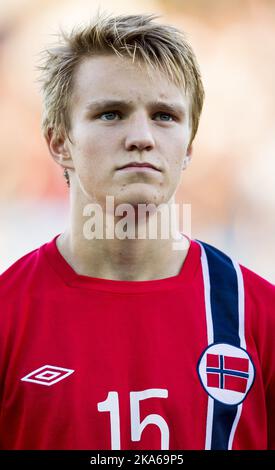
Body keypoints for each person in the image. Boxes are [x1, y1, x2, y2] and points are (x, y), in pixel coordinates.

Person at [0, 12, 274, 451]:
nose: (142, 137)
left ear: (188, 146)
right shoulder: (9, 313)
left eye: (164, 115)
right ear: (58, 142)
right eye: (111, 114)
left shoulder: (256, 316)